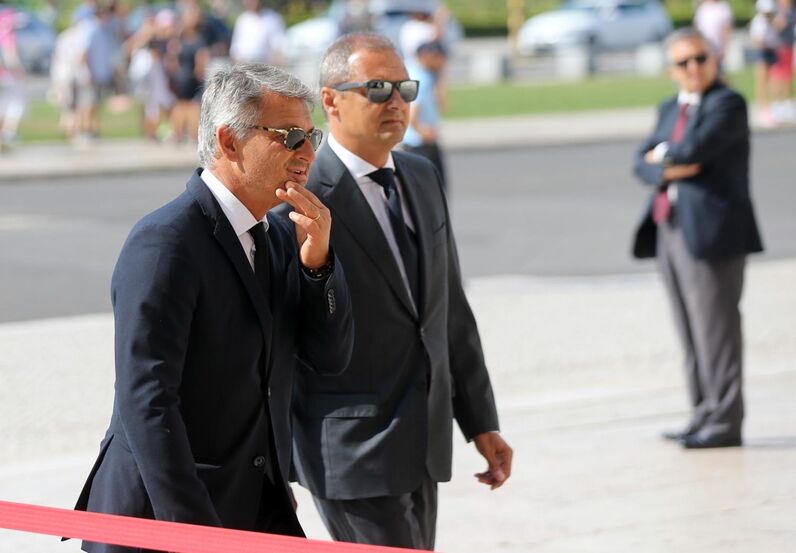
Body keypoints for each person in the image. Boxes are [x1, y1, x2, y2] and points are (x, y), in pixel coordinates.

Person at [72, 64, 354, 552]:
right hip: (166, 520)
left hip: (254, 509)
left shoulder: (282, 236)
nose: (307, 153)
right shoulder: (165, 243)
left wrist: (318, 266)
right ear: (228, 142)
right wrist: (196, 535)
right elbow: (148, 403)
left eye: (312, 136)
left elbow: (329, 360)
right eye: (289, 137)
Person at [287, 33, 513, 550]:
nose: (396, 102)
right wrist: (272, 462)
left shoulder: (421, 174)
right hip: (349, 450)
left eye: (405, 88)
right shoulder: (298, 197)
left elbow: (448, 309)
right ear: (330, 100)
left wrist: (480, 422)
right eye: (378, 88)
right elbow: (282, 342)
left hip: (423, 442)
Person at [632, 28, 764, 449]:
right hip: (670, 227)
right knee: (690, 330)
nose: (693, 68)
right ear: (671, 70)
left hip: (713, 234)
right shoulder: (671, 107)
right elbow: (641, 163)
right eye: (683, 62)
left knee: (717, 330)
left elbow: (693, 152)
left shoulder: (727, 103)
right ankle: (703, 413)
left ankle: (725, 423)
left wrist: (667, 157)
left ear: (714, 59)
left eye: (700, 58)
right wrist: (667, 163)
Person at [401, 40, 448, 192]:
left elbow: (443, 106)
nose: (441, 60)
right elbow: (411, 111)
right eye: (437, 56)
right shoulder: (421, 79)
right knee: (430, 192)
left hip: (421, 144)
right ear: (424, 57)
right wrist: (422, 131)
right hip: (420, 146)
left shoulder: (428, 76)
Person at [749, 0, 781, 127]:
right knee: (762, 81)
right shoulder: (758, 22)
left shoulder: (773, 21)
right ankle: (763, 108)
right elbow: (756, 39)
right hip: (763, 51)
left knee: (774, 80)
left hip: (772, 50)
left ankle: (773, 106)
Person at [770, 0, 796, 123]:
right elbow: (778, 25)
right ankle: (778, 106)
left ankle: (786, 105)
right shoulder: (781, 12)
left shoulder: (789, 11)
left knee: (787, 77)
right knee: (780, 77)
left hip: (789, 47)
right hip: (782, 48)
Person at [693, 0, 734, 65]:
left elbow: (727, 29)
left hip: (717, 46)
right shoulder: (702, 7)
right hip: (703, 45)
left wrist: (724, 48)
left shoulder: (723, 7)